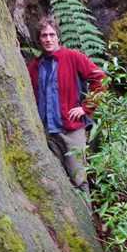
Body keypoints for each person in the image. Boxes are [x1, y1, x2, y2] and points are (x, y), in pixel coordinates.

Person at [26, 16, 105, 191]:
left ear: (58, 36)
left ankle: (87, 217)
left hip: (72, 130)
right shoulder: (34, 66)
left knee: (79, 179)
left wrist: (86, 107)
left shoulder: (73, 57)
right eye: (44, 35)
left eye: (51, 35)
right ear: (39, 39)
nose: (48, 39)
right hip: (47, 134)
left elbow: (100, 78)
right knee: (56, 184)